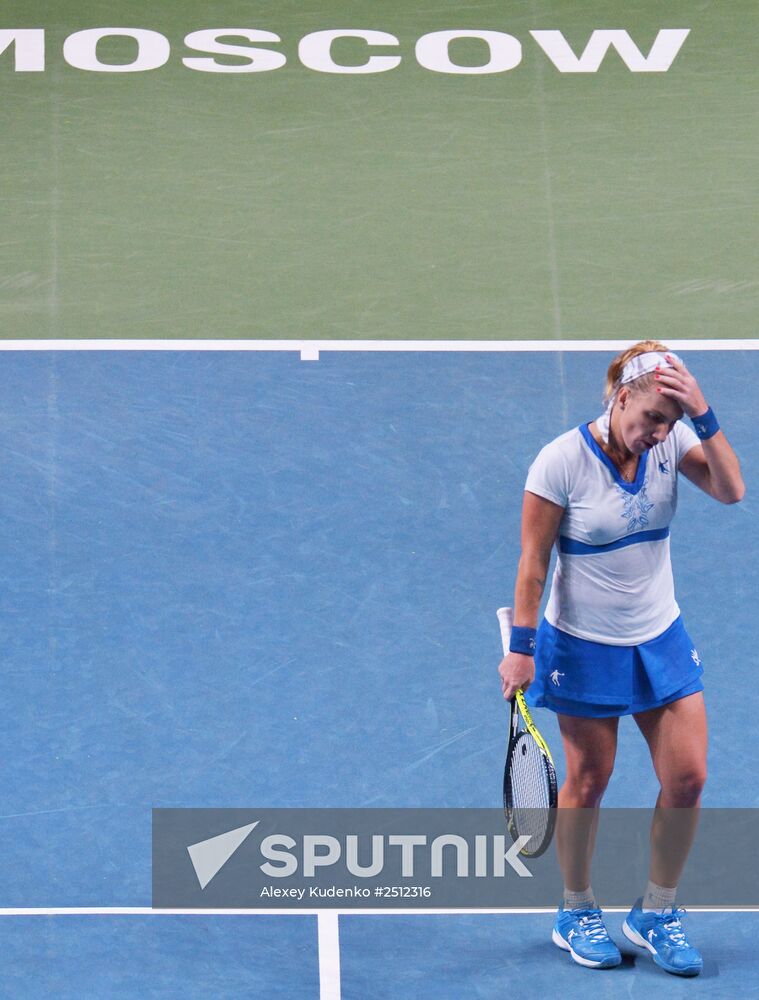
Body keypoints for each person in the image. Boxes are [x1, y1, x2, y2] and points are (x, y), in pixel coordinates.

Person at [498, 341, 744, 976]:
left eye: (669, 421)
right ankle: (575, 908)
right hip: (582, 643)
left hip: (658, 634)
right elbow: (533, 563)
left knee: (688, 778)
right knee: (590, 780)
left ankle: (656, 911)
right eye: (649, 418)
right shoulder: (559, 462)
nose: (656, 434)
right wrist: (522, 652)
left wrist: (703, 414)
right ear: (620, 396)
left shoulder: (672, 442)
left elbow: (732, 489)